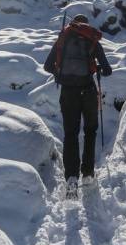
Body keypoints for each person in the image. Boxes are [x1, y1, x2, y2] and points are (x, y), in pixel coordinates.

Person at [44, 14, 112, 198]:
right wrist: (95, 68)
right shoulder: (91, 39)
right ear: (86, 25)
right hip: (88, 91)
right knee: (90, 131)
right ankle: (88, 173)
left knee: (71, 134)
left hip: (68, 92)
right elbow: (107, 70)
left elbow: (47, 66)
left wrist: (60, 72)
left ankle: (71, 178)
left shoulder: (63, 39)